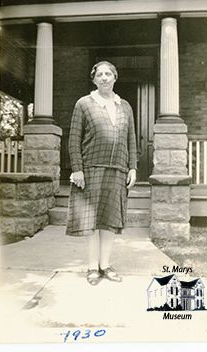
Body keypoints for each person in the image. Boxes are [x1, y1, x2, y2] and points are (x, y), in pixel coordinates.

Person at [66, 61, 137, 285]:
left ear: (115, 77)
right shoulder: (84, 104)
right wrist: (77, 169)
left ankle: (105, 265)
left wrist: (132, 166)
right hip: (91, 169)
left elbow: (131, 140)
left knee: (109, 221)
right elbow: (74, 139)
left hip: (118, 170)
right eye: (100, 75)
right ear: (94, 79)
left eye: (109, 74)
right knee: (91, 221)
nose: (104, 78)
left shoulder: (124, 105)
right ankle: (91, 267)